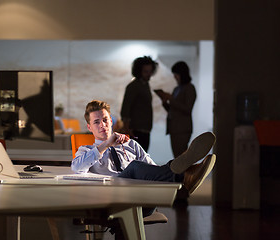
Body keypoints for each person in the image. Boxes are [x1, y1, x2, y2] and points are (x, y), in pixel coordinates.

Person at [71, 100, 216, 216]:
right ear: (89, 127)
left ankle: (181, 175)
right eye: (96, 122)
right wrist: (106, 145)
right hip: (111, 200)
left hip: (143, 200)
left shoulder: (130, 144)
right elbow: (76, 168)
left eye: (105, 120)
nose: (102, 125)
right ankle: (184, 177)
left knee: (149, 169)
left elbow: (153, 170)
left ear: (111, 121)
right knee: (134, 166)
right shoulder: (87, 150)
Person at [156, 61, 196, 158]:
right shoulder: (177, 89)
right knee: (177, 156)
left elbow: (187, 109)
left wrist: (171, 98)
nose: (175, 77)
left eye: (176, 74)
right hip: (174, 128)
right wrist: (165, 102)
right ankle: (180, 174)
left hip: (182, 128)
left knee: (181, 157)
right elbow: (172, 110)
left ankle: (183, 174)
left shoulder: (189, 88)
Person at [120, 56, 158, 152]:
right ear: (139, 71)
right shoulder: (134, 86)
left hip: (145, 129)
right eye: (146, 71)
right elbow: (126, 108)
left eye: (150, 71)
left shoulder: (145, 85)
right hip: (135, 130)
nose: (148, 74)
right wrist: (127, 129)